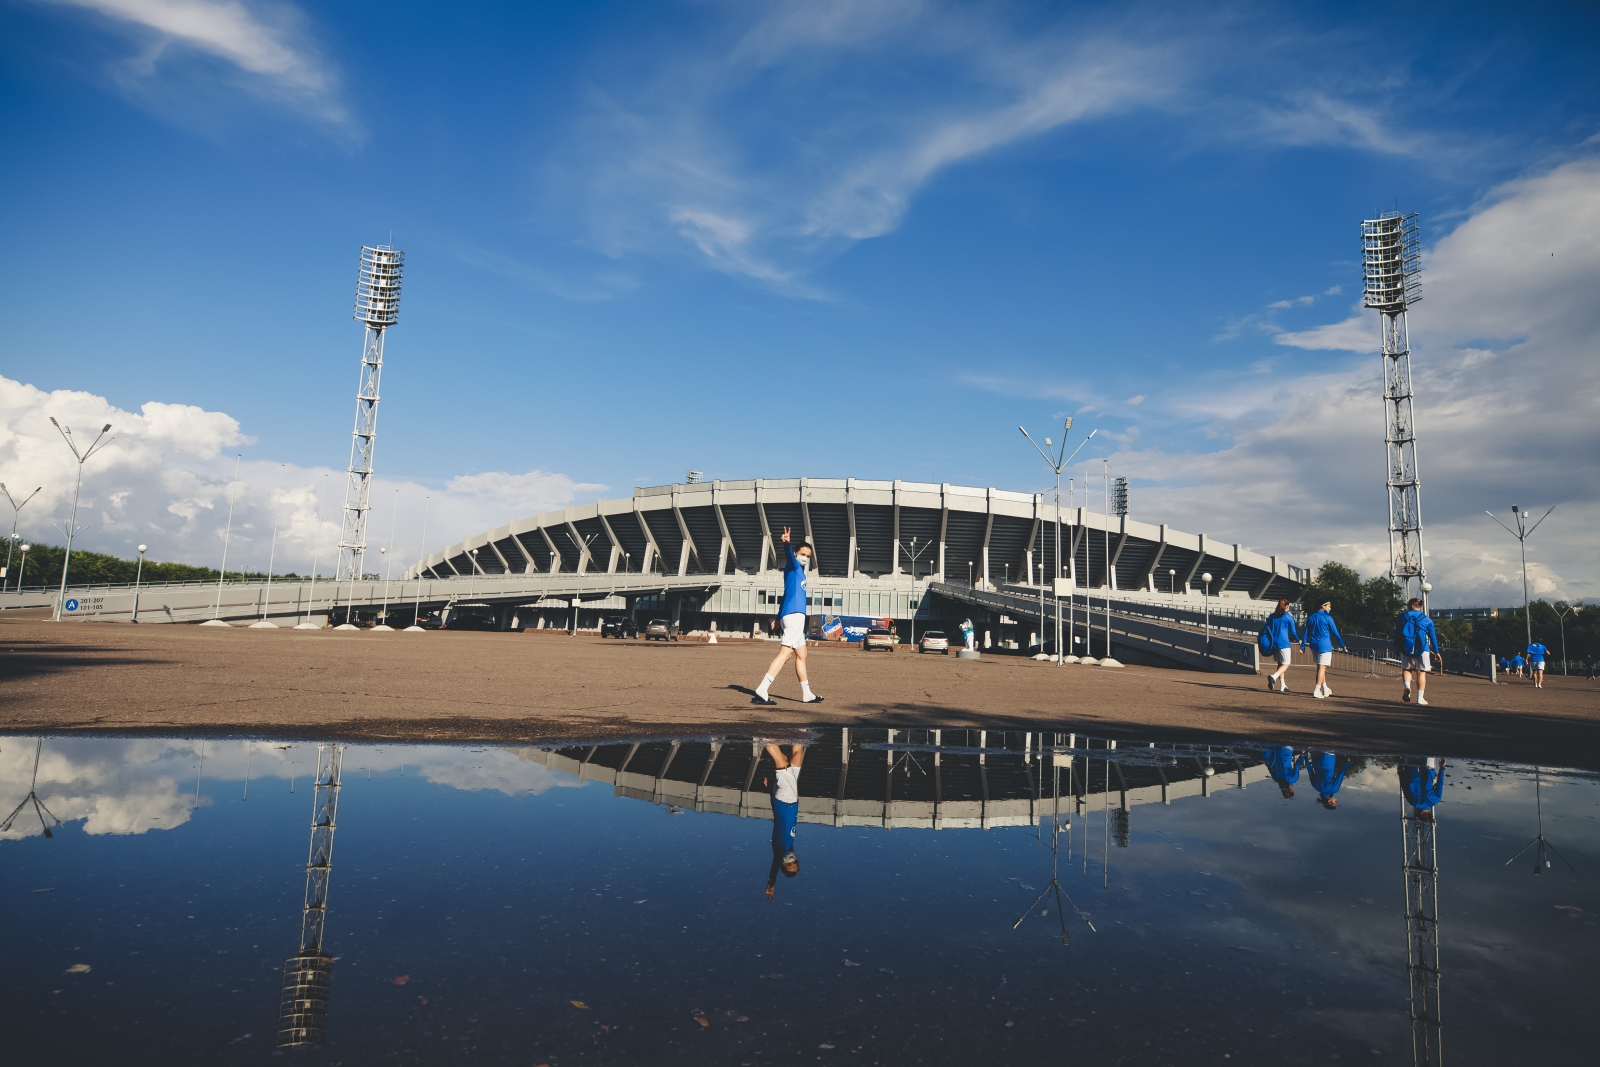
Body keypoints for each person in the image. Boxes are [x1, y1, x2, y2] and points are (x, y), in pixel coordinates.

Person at [751, 528, 822, 705]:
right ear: (797, 553)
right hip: (795, 616)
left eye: (808, 555)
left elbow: (785, 595)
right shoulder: (794, 565)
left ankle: (807, 694)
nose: (805, 557)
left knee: (801, 654)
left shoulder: (796, 573)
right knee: (785, 653)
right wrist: (787, 544)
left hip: (791, 615)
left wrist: (777, 617)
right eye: (803, 554)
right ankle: (762, 689)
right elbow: (789, 555)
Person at [763, 742, 804, 898]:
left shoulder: (780, 849)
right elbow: (777, 817)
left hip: (787, 800)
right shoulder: (790, 844)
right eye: (795, 863)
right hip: (787, 799)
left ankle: (765, 736)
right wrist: (770, 791)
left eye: (789, 865)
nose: (792, 861)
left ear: (782, 863)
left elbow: (774, 865)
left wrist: (772, 881)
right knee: (798, 756)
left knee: (781, 760)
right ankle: (799, 729)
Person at [1393, 597, 1440, 706]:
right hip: (1423, 648)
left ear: (1411, 605)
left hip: (1405, 646)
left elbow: (1396, 633)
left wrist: (1396, 646)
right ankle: (1420, 698)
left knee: (1406, 669)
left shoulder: (1403, 616)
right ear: (1420, 606)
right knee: (1421, 672)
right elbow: (1433, 637)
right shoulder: (1427, 619)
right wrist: (1437, 652)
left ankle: (1407, 687)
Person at [1299, 599, 1348, 700]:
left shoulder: (1311, 617)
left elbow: (1305, 633)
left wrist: (1302, 646)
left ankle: (1325, 689)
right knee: (1322, 668)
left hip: (1313, 645)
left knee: (1320, 668)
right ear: (1323, 605)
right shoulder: (1328, 618)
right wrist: (1343, 645)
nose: (1330, 608)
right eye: (1329, 605)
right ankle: (1317, 690)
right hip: (1325, 646)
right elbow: (1336, 633)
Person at [1260, 599, 1299, 693]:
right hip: (1284, 643)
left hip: (1273, 643)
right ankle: (1274, 676)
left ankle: (1283, 685)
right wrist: (1298, 640)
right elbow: (1293, 632)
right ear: (1286, 607)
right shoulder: (1288, 617)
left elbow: (1266, 627)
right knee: (1286, 663)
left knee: (1280, 663)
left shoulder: (1272, 616)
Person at [1398, 758, 1446, 823]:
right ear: (1420, 813)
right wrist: (1400, 768)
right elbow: (1404, 783)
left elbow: (1440, 782)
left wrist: (1442, 767)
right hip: (1412, 767)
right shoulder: (1412, 801)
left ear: (1429, 813)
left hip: (1429, 768)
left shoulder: (1436, 800)